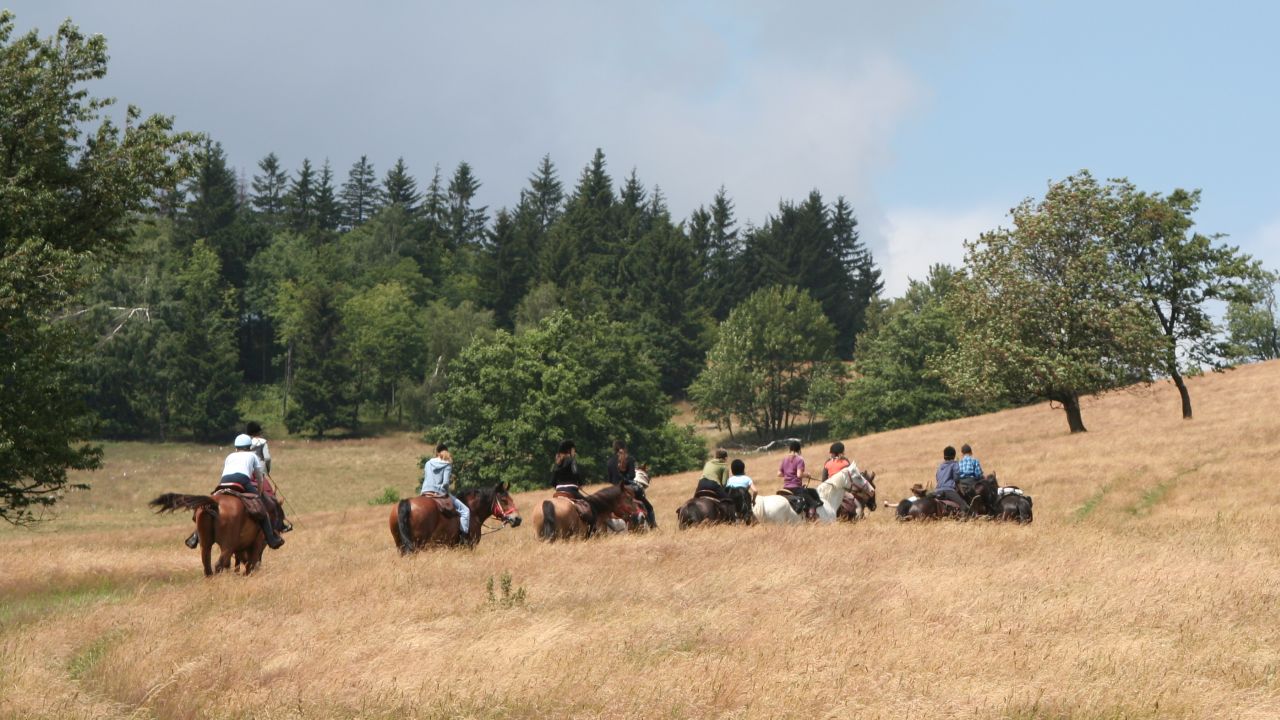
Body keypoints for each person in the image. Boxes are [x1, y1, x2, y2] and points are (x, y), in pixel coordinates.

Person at [188, 433, 284, 550]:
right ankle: (271, 539)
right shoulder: (252, 456)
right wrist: (258, 493)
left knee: (207, 506)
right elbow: (259, 477)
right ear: (249, 447)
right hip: (242, 481)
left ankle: (195, 536)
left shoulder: (229, 456)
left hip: (223, 482)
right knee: (261, 508)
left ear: (236, 447)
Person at [420, 444, 469, 542]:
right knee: (465, 511)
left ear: (437, 453)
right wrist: (446, 491)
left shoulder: (428, 463)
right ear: (447, 452)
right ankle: (463, 538)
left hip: (425, 492)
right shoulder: (447, 463)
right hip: (438, 493)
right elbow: (445, 483)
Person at [246, 421, 289, 533]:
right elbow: (267, 458)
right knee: (271, 496)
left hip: (245, 472)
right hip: (259, 472)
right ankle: (281, 525)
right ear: (259, 432)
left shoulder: (245, 442)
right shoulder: (262, 442)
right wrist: (267, 469)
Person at [607, 440, 656, 528]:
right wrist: (626, 480)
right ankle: (653, 526)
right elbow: (632, 476)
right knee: (649, 507)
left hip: (614, 490)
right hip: (627, 487)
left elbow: (610, 480)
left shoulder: (609, 462)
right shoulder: (629, 459)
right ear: (624, 448)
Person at [933, 445, 972, 517]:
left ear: (944, 456)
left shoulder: (940, 466)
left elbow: (937, 478)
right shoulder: (954, 464)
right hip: (949, 490)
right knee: (964, 506)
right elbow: (956, 478)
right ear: (953, 455)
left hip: (937, 491)